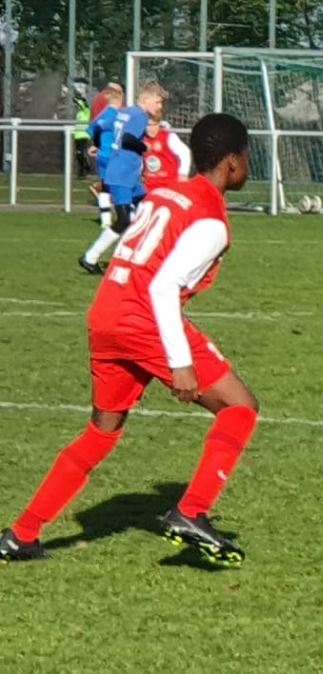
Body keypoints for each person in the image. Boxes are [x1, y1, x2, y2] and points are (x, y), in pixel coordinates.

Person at [1, 113, 260, 565]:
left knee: (102, 431)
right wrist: (180, 363)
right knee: (240, 406)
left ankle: (20, 535)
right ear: (232, 162)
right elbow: (163, 286)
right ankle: (191, 511)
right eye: (247, 157)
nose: (248, 166)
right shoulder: (210, 218)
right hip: (143, 317)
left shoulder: (166, 194)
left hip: (106, 311)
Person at [79, 84, 152, 274]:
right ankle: (91, 256)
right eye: (158, 101)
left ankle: (132, 255)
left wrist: (97, 144)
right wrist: (145, 147)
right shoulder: (138, 115)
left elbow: (98, 128)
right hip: (122, 173)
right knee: (124, 219)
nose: (159, 105)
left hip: (125, 173)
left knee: (147, 208)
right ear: (146, 100)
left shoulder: (123, 113)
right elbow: (127, 139)